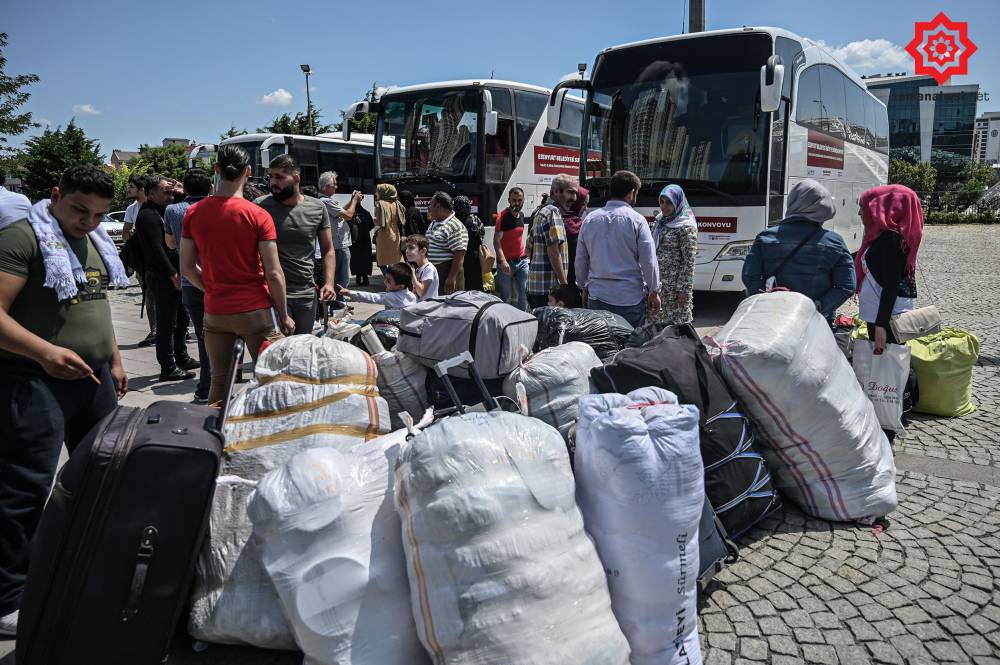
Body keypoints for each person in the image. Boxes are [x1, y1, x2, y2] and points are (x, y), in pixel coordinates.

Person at [0, 164, 130, 636]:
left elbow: (95, 302)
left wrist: (113, 358)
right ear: (55, 195)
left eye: (98, 214)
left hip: (92, 379)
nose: (89, 222)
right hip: (33, 379)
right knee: (24, 487)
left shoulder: (93, 241)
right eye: (79, 210)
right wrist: (44, 351)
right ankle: (8, 596)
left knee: (106, 474)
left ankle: (78, 561)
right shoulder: (22, 238)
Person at [180, 144, 293, 404]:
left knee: (219, 382)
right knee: (271, 379)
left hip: (216, 311)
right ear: (249, 171)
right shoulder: (258, 215)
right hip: (255, 311)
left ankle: (214, 439)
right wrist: (284, 315)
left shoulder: (194, 213)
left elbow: (186, 267)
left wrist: (210, 287)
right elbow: (274, 273)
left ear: (216, 170)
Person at [742, 178, 855, 322]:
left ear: (792, 202)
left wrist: (766, 303)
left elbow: (749, 277)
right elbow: (846, 286)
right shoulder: (835, 242)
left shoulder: (765, 237)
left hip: (772, 320)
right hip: (815, 323)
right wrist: (817, 307)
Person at [256, 154, 334, 334]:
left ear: (296, 178)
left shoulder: (317, 207)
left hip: (306, 294)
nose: (273, 182)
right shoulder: (259, 207)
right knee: (276, 356)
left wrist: (328, 283)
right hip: (269, 296)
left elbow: (328, 249)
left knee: (301, 353)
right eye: (271, 177)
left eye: (279, 177)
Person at [575, 170, 660, 328]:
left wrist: (584, 285)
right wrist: (654, 290)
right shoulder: (637, 221)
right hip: (629, 300)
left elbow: (580, 259)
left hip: (597, 298)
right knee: (630, 349)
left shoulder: (590, 219)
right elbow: (649, 261)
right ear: (632, 193)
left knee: (602, 347)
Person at [135, 175, 198, 381]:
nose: (170, 195)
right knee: (166, 323)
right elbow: (156, 250)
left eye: (171, 191)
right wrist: (173, 274)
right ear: (151, 193)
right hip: (163, 275)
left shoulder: (164, 209)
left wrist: (179, 189)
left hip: (173, 272)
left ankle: (181, 356)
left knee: (181, 319)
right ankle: (168, 366)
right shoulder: (148, 215)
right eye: (166, 192)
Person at [855, 184, 924, 353]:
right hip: (880, 316)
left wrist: (881, 325)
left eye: (863, 207)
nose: (859, 213)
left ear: (882, 208)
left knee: (888, 371)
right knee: (884, 370)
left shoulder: (891, 241)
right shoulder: (881, 237)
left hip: (888, 320)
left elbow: (891, 286)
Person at [164, 168, 212, 402]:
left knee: (203, 336)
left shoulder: (172, 210)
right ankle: (227, 377)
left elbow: (170, 244)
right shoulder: (215, 207)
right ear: (210, 187)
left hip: (190, 280)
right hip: (217, 279)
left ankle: (206, 387)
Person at [649, 184, 698, 325]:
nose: (664, 207)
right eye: (662, 202)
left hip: (675, 289)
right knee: (657, 326)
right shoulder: (660, 221)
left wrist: (684, 290)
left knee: (676, 329)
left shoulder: (686, 227)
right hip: (659, 284)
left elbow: (689, 262)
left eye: (669, 203)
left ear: (678, 203)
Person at [526, 174, 577, 310]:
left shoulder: (540, 211)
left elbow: (528, 249)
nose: (574, 198)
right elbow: (553, 253)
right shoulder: (553, 212)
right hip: (549, 290)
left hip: (535, 286)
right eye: (570, 192)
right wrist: (564, 286)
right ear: (556, 192)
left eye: (575, 193)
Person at [123, 174, 157, 346]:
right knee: (148, 294)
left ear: (142, 189)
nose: (128, 189)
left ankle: (173, 328)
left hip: (158, 258)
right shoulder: (131, 209)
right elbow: (125, 232)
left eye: (132, 186)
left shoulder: (156, 206)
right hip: (142, 260)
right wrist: (133, 237)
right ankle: (154, 330)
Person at [318, 171, 363, 302]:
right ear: (326, 186)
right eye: (334, 184)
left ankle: (337, 305)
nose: (336, 187)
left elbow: (340, 213)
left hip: (337, 245)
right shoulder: (325, 201)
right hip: (338, 246)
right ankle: (339, 305)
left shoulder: (325, 201)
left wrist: (351, 201)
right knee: (342, 280)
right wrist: (355, 201)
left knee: (338, 278)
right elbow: (348, 215)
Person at [426, 192, 468, 294]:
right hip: (435, 273)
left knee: (448, 307)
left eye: (431, 205)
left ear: (438, 206)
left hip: (446, 273)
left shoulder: (454, 226)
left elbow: (459, 254)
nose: (429, 208)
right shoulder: (435, 222)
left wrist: (451, 277)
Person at [494, 187, 529, 311]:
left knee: (524, 294)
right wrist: (503, 261)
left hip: (522, 261)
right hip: (506, 264)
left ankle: (524, 320)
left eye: (520, 200)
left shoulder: (522, 215)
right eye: (514, 200)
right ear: (509, 200)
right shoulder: (502, 217)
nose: (517, 203)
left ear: (523, 200)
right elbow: (496, 241)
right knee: (506, 297)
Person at [339, 262, 417, 309]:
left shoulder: (392, 297)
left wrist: (349, 293)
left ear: (400, 286)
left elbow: (372, 297)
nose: (385, 282)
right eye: (385, 278)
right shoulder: (412, 296)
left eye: (388, 281)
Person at [454, 195, 485, 292]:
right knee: (475, 285)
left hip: (458, 257)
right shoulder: (475, 220)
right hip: (474, 256)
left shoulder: (453, 222)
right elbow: (481, 235)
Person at [374, 183, 406, 272]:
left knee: (381, 261)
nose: (376, 193)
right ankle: (394, 278)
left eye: (378, 191)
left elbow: (380, 222)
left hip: (384, 235)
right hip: (395, 234)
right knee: (395, 260)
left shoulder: (380, 204)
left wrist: (374, 219)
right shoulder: (397, 204)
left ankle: (388, 278)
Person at [563, 185, 589, 292]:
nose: (586, 208)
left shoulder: (579, 223)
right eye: (584, 204)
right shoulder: (561, 222)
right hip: (566, 283)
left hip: (576, 281)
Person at [405, 234, 439, 300]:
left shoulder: (429, 268)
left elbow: (421, 292)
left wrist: (412, 275)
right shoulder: (418, 268)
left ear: (423, 251)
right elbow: (416, 291)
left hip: (429, 308)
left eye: (411, 248)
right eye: (406, 248)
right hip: (421, 306)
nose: (406, 251)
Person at [350, 203, 375, 286]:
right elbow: (371, 225)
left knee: (356, 259)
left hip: (355, 240)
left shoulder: (350, 213)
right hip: (365, 240)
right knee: (365, 259)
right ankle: (365, 278)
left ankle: (358, 277)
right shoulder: (366, 213)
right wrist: (364, 230)